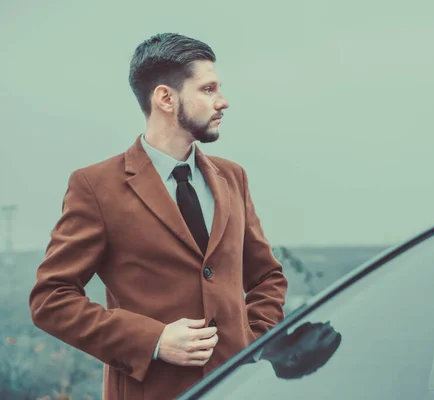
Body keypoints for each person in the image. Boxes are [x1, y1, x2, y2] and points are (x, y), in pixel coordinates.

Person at [29, 32, 288, 400]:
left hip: (239, 390)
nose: (223, 101)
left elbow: (267, 275)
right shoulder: (95, 186)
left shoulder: (233, 176)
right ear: (166, 98)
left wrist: (254, 340)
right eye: (208, 89)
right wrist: (154, 340)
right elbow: (50, 299)